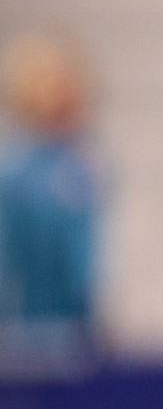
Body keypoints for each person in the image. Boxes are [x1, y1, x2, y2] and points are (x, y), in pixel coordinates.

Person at [0, 32, 99, 339]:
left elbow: (87, 268)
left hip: (69, 329)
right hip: (33, 329)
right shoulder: (18, 173)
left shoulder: (84, 169)